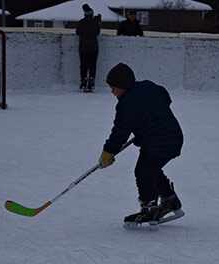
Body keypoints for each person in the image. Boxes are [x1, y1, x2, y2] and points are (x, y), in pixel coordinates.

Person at [98, 63, 183, 229]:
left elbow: (119, 133)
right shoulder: (149, 87)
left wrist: (108, 153)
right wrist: (145, 128)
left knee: (143, 171)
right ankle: (169, 199)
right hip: (174, 137)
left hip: (158, 143)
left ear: (123, 86)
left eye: (114, 87)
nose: (112, 92)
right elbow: (164, 98)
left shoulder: (126, 105)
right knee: (151, 169)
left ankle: (149, 208)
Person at [76, 4, 100, 92]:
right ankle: (91, 81)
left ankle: (83, 80)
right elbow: (97, 32)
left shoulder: (81, 22)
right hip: (94, 48)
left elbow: (78, 32)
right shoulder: (95, 23)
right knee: (92, 65)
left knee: (83, 65)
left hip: (83, 48)